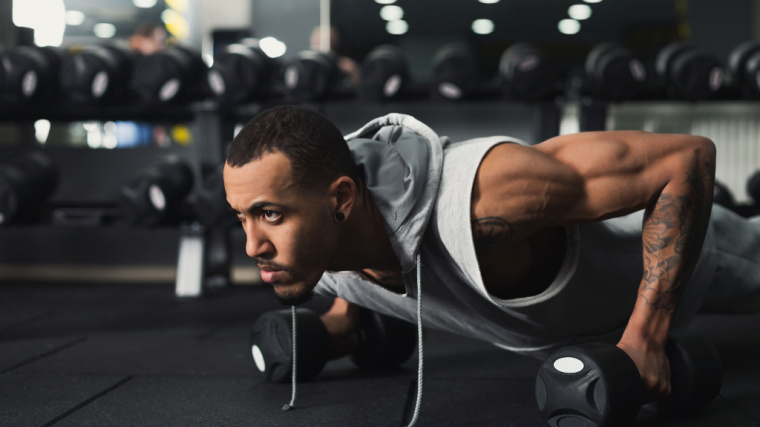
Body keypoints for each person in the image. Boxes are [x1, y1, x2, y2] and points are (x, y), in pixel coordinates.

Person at [223, 105, 760, 402]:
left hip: (701, 262)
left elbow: (685, 158)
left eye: (270, 215)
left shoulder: (485, 198)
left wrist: (646, 338)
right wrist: (343, 323)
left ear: (340, 199)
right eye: (241, 217)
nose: (253, 246)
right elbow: (369, 264)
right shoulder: (308, 248)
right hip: (584, 321)